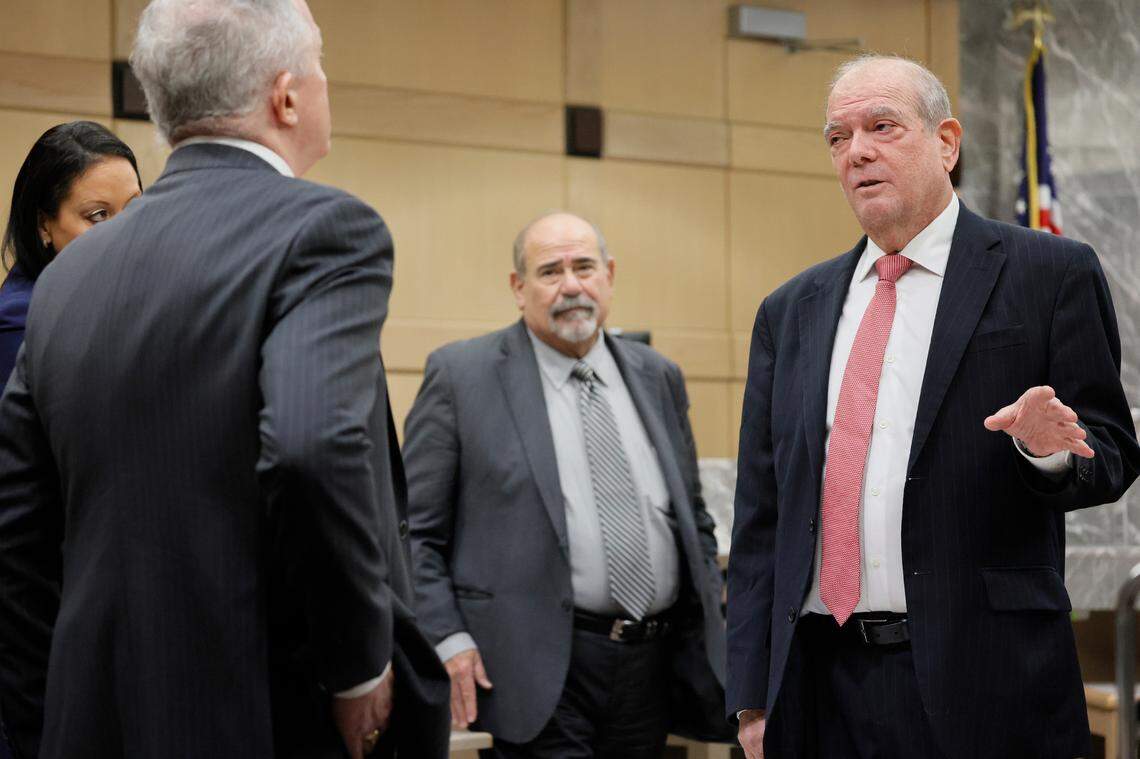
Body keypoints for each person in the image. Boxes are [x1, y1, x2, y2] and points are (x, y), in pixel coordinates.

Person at [0, 1, 448, 757]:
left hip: (93, 718)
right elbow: (311, 450)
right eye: (322, 64)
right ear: (286, 95)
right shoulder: (324, 231)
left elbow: (18, 529)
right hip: (265, 714)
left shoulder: (68, 274)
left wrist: (51, 706)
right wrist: (355, 664)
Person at [727, 54, 1140, 759]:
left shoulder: (1050, 274)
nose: (857, 151)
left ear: (946, 141)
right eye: (838, 137)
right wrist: (751, 698)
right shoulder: (790, 310)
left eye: (881, 127)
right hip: (818, 688)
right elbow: (761, 517)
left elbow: (1111, 452)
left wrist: (1044, 451)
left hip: (986, 682)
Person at [404, 211, 731, 758]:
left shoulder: (658, 375)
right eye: (550, 271)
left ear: (609, 274)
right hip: (531, 667)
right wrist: (447, 637)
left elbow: (690, 515)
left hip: (651, 665)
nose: (572, 285)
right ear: (518, 287)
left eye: (584, 266)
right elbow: (414, 532)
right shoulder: (463, 377)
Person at [0, 121, 142, 382]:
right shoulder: (22, 323)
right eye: (99, 215)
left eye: (135, 208)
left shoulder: (122, 293)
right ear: (44, 225)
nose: (126, 230)